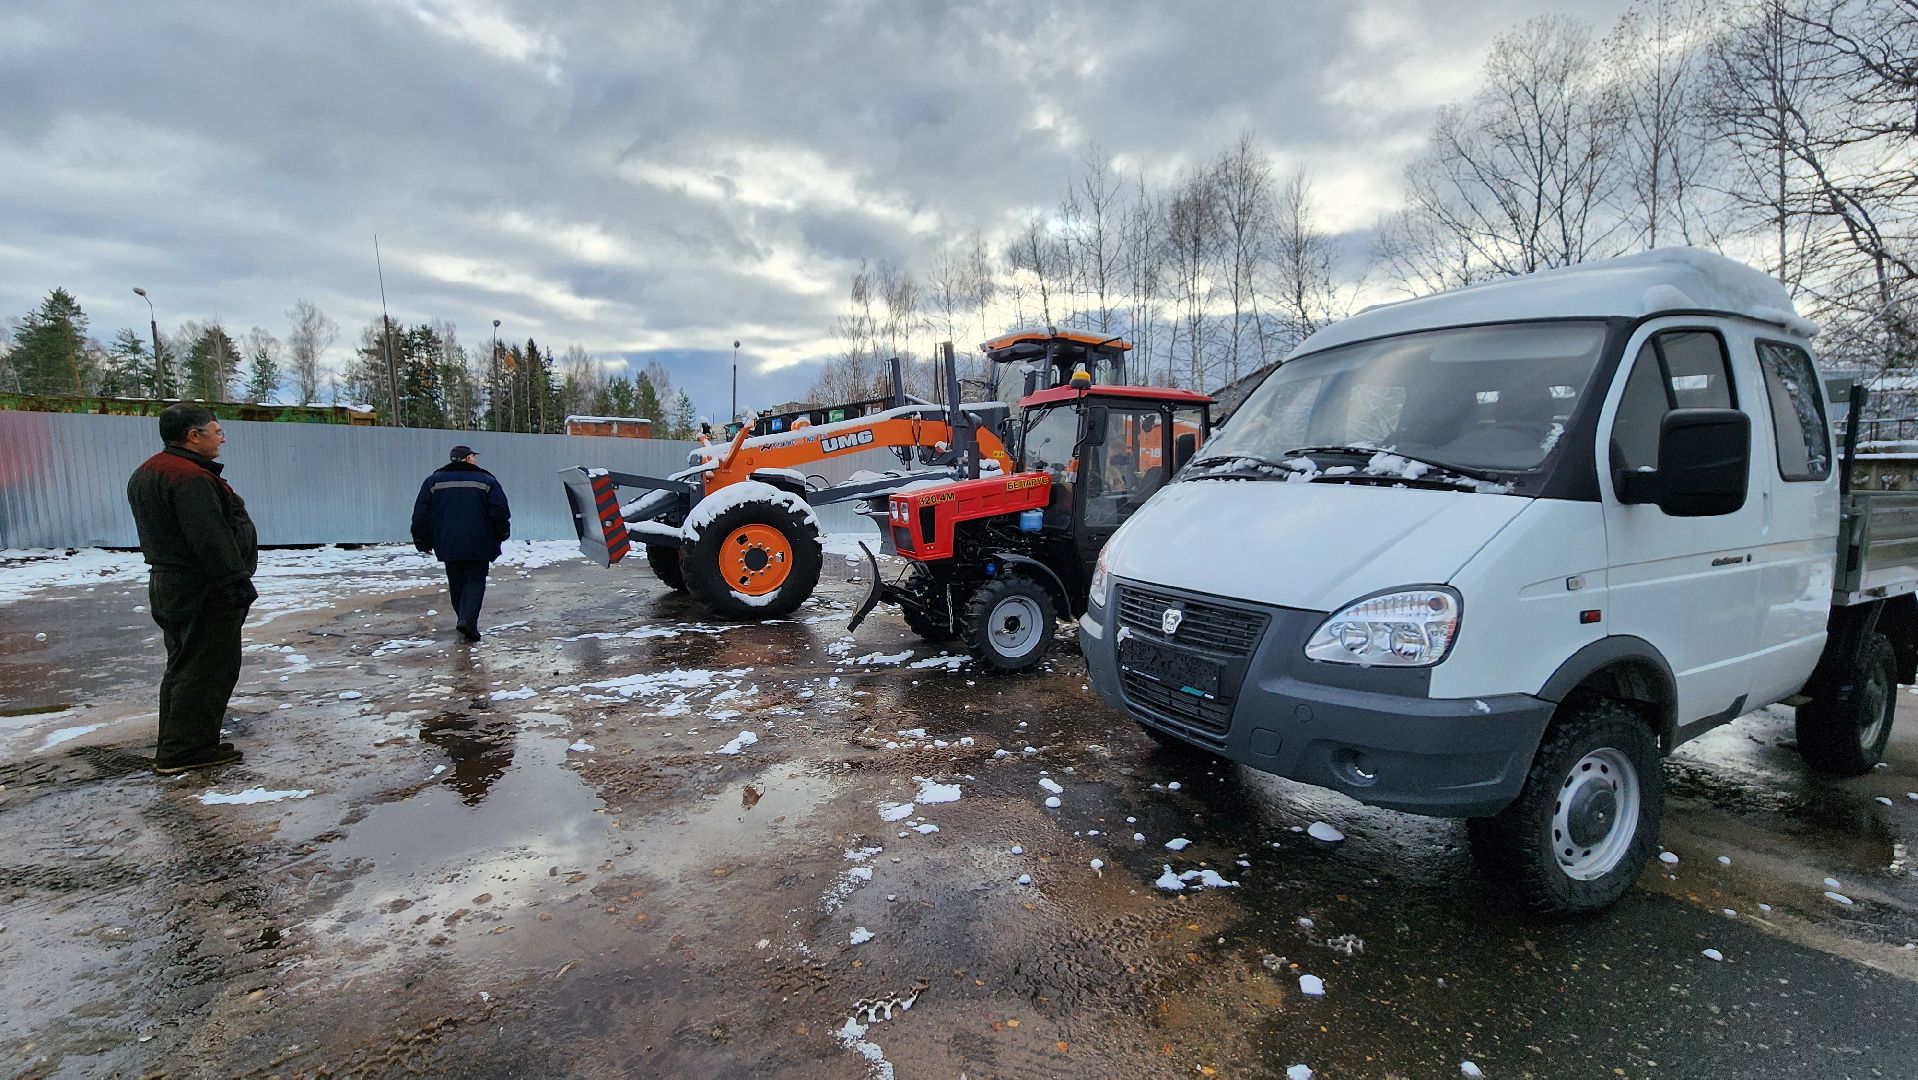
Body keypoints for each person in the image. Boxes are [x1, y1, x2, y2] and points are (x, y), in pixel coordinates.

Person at [126, 403, 258, 775]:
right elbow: (209, 538)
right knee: (208, 667)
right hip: (202, 587)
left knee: (184, 664)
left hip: (172, 584)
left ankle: (179, 742)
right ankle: (187, 750)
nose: (222, 437)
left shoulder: (149, 471)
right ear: (193, 435)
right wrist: (234, 582)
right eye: (216, 430)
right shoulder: (189, 478)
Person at [411, 445, 511, 641]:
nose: (475, 459)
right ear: (467, 458)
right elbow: (499, 511)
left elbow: (421, 513)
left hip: (447, 541)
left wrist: (421, 539)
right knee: (475, 580)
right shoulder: (486, 480)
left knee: (456, 580)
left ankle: (463, 618)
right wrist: (502, 533)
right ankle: (468, 621)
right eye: (473, 456)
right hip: (479, 541)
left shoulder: (434, 481)